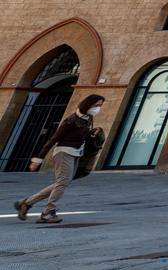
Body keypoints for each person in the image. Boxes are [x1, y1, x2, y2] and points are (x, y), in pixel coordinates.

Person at [15, 94, 105, 224]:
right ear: (87, 104)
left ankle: (26, 203)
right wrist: (38, 159)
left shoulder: (88, 119)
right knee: (62, 182)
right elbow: (53, 139)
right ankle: (47, 213)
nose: (98, 108)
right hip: (64, 152)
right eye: (96, 105)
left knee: (62, 183)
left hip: (76, 153)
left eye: (100, 106)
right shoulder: (71, 120)